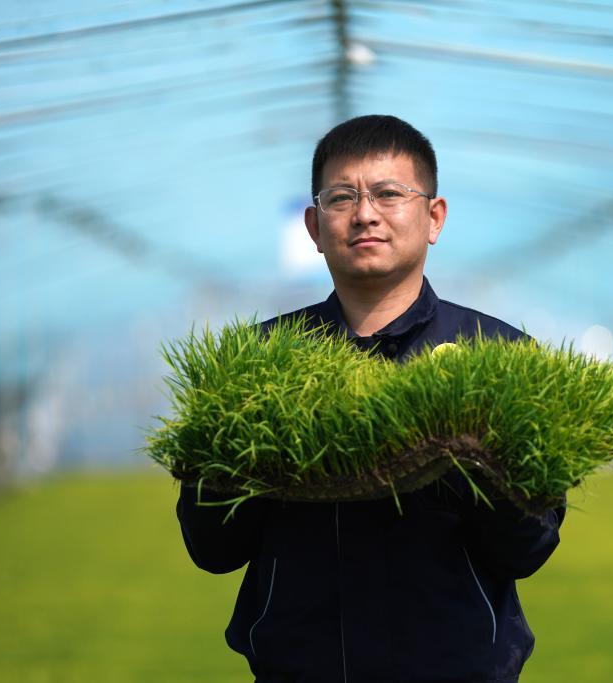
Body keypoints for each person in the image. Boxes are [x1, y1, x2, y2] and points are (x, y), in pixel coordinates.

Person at [175, 114, 566, 683]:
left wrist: (468, 450)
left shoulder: (501, 357)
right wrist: (240, 452)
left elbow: (528, 547)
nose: (364, 214)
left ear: (434, 218)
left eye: (389, 193)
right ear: (314, 227)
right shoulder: (255, 363)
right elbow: (212, 548)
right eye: (341, 198)